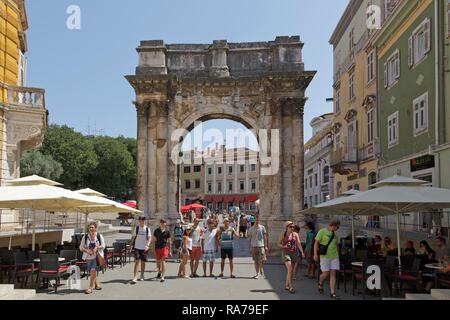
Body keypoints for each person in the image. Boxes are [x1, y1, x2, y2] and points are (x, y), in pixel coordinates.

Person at [314, 220, 341, 299]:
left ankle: (333, 292)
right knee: (326, 273)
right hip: (325, 256)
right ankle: (320, 282)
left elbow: (336, 245)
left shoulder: (335, 234)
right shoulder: (322, 231)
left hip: (334, 256)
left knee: (333, 274)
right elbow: (316, 243)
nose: (338, 229)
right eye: (337, 227)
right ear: (333, 225)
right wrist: (315, 254)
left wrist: (338, 255)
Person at [278, 221, 305, 293]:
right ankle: (291, 287)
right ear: (286, 227)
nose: (292, 228)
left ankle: (286, 285)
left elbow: (298, 244)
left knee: (290, 270)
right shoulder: (283, 234)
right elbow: (278, 244)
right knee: (290, 268)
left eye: (293, 227)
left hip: (294, 253)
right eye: (290, 227)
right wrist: (284, 246)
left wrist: (302, 252)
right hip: (286, 253)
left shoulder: (295, 234)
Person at [79, 222, 105, 294]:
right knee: (91, 271)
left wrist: (96, 247)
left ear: (95, 228)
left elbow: (103, 246)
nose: (91, 229)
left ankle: (90, 287)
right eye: (90, 227)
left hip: (96, 256)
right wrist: (87, 250)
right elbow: (81, 248)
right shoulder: (85, 237)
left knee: (93, 270)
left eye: (92, 227)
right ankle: (96, 284)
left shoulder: (99, 236)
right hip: (88, 257)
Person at [131, 216, 151, 283]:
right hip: (137, 247)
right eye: (141, 220)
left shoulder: (147, 229)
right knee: (136, 262)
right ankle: (135, 277)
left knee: (143, 262)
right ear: (139, 221)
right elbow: (133, 237)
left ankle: (142, 275)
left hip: (144, 248)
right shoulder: (136, 228)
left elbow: (149, 238)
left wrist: (147, 245)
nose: (142, 221)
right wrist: (131, 245)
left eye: (143, 220)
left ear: (144, 221)